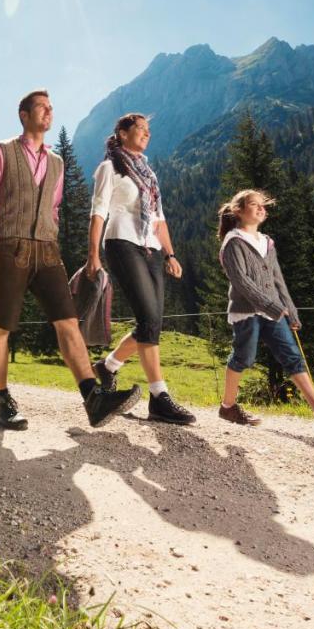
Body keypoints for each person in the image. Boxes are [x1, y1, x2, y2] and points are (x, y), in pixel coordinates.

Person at [0, 90, 142, 430]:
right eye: (41, 108)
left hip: (47, 250)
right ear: (23, 114)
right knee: (3, 327)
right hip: (12, 246)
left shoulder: (57, 162)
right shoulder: (2, 151)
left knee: (67, 321)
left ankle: (93, 398)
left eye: (51, 108)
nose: (49, 112)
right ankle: (2, 399)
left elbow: (53, 207)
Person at [216, 189, 314, 433]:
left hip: (275, 311)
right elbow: (240, 281)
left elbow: (277, 279)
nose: (261, 209)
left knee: (293, 357)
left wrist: (290, 310)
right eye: (254, 205)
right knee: (244, 358)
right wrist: (271, 305)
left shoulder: (267, 242)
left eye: (263, 206)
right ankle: (227, 406)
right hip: (247, 312)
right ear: (238, 210)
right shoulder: (233, 242)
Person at [86, 113, 196, 425]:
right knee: (148, 319)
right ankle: (159, 397)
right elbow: (98, 213)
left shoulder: (148, 174)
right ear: (121, 133)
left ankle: (107, 367)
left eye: (149, 130)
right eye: (140, 129)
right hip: (121, 242)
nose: (147, 134)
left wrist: (171, 254)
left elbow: (159, 219)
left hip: (151, 248)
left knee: (152, 323)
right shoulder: (110, 167)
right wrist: (92, 255)